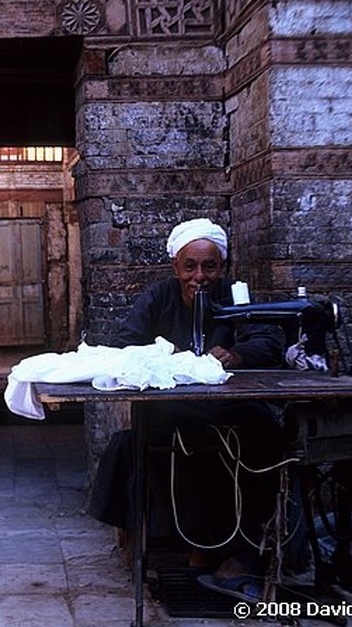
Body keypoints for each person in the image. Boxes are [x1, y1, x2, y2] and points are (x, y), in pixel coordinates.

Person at [87, 218, 286, 600]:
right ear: (176, 267)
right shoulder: (158, 297)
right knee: (155, 438)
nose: (200, 277)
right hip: (176, 410)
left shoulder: (235, 295)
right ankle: (200, 543)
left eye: (209, 266)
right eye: (190, 266)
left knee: (267, 433)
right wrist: (166, 358)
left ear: (222, 267)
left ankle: (247, 549)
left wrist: (237, 354)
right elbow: (127, 346)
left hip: (231, 410)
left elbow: (268, 341)